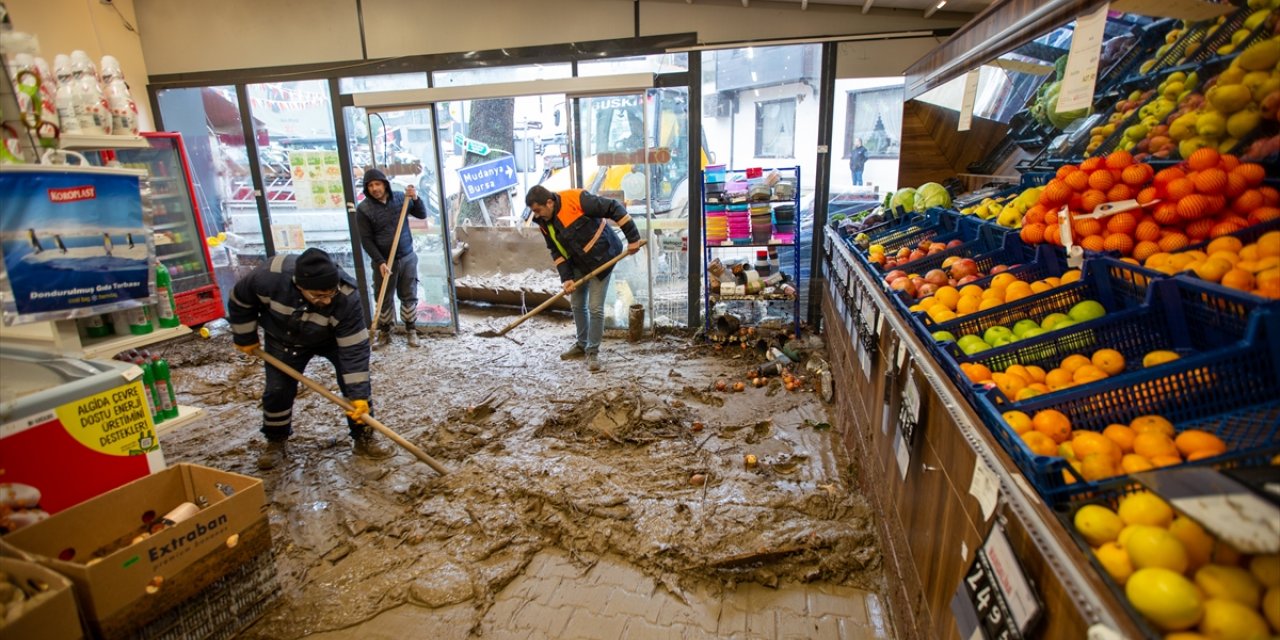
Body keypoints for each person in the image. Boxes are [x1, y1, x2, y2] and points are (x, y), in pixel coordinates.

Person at [228, 247, 393, 470]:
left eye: (330, 294)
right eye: (318, 296)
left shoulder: (346, 297)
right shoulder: (268, 278)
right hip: (283, 336)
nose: (325, 301)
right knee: (278, 390)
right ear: (299, 286)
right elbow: (240, 301)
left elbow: (354, 351)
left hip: (332, 339)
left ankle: (363, 436)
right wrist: (245, 335)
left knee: (354, 389)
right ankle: (276, 441)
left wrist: (359, 395)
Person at [525, 185, 641, 372]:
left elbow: (613, 207)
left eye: (537, 210)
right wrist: (567, 278)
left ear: (549, 202)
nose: (536, 215)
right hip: (578, 261)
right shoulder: (544, 222)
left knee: (595, 307)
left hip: (604, 255)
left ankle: (592, 352)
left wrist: (633, 237)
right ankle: (581, 345)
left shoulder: (576, 199)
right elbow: (555, 250)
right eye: (533, 212)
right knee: (577, 304)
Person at [356, 168, 426, 349]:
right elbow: (366, 240)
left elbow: (421, 214)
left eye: (377, 184)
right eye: (370, 185)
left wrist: (415, 198)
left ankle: (411, 330)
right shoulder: (364, 209)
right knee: (383, 297)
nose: (374, 188)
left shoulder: (400, 199)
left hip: (407, 256)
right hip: (384, 261)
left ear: (384, 184)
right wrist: (380, 261)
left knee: (409, 293)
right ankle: (385, 332)